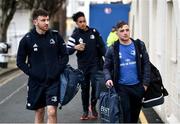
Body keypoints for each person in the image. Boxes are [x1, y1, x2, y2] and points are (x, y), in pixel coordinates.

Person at [16, 9, 69, 123]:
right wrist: (33, 73)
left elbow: (65, 56)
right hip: (36, 82)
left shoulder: (55, 36)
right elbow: (19, 62)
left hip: (53, 81)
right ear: (35, 22)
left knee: (52, 112)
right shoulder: (27, 39)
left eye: (47, 20)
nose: (46, 23)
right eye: (43, 20)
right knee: (40, 112)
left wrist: (57, 71)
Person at [103, 21, 151, 123]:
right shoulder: (112, 49)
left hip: (138, 87)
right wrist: (108, 78)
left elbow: (146, 64)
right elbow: (106, 67)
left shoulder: (139, 45)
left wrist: (145, 84)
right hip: (121, 88)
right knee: (125, 115)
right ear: (117, 33)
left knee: (134, 116)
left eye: (127, 30)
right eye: (122, 31)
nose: (125, 32)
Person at [66, 11, 106, 120]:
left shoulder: (94, 32)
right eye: (80, 22)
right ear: (76, 23)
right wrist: (75, 47)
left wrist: (107, 59)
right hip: (83, 67)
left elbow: (102, 47)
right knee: (85, 89)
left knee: (95, 86)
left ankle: (92, 106)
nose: (83, 23)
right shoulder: (75, 36)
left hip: (95, 65)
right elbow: (67, 50)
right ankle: (85, 110)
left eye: (84, 21)